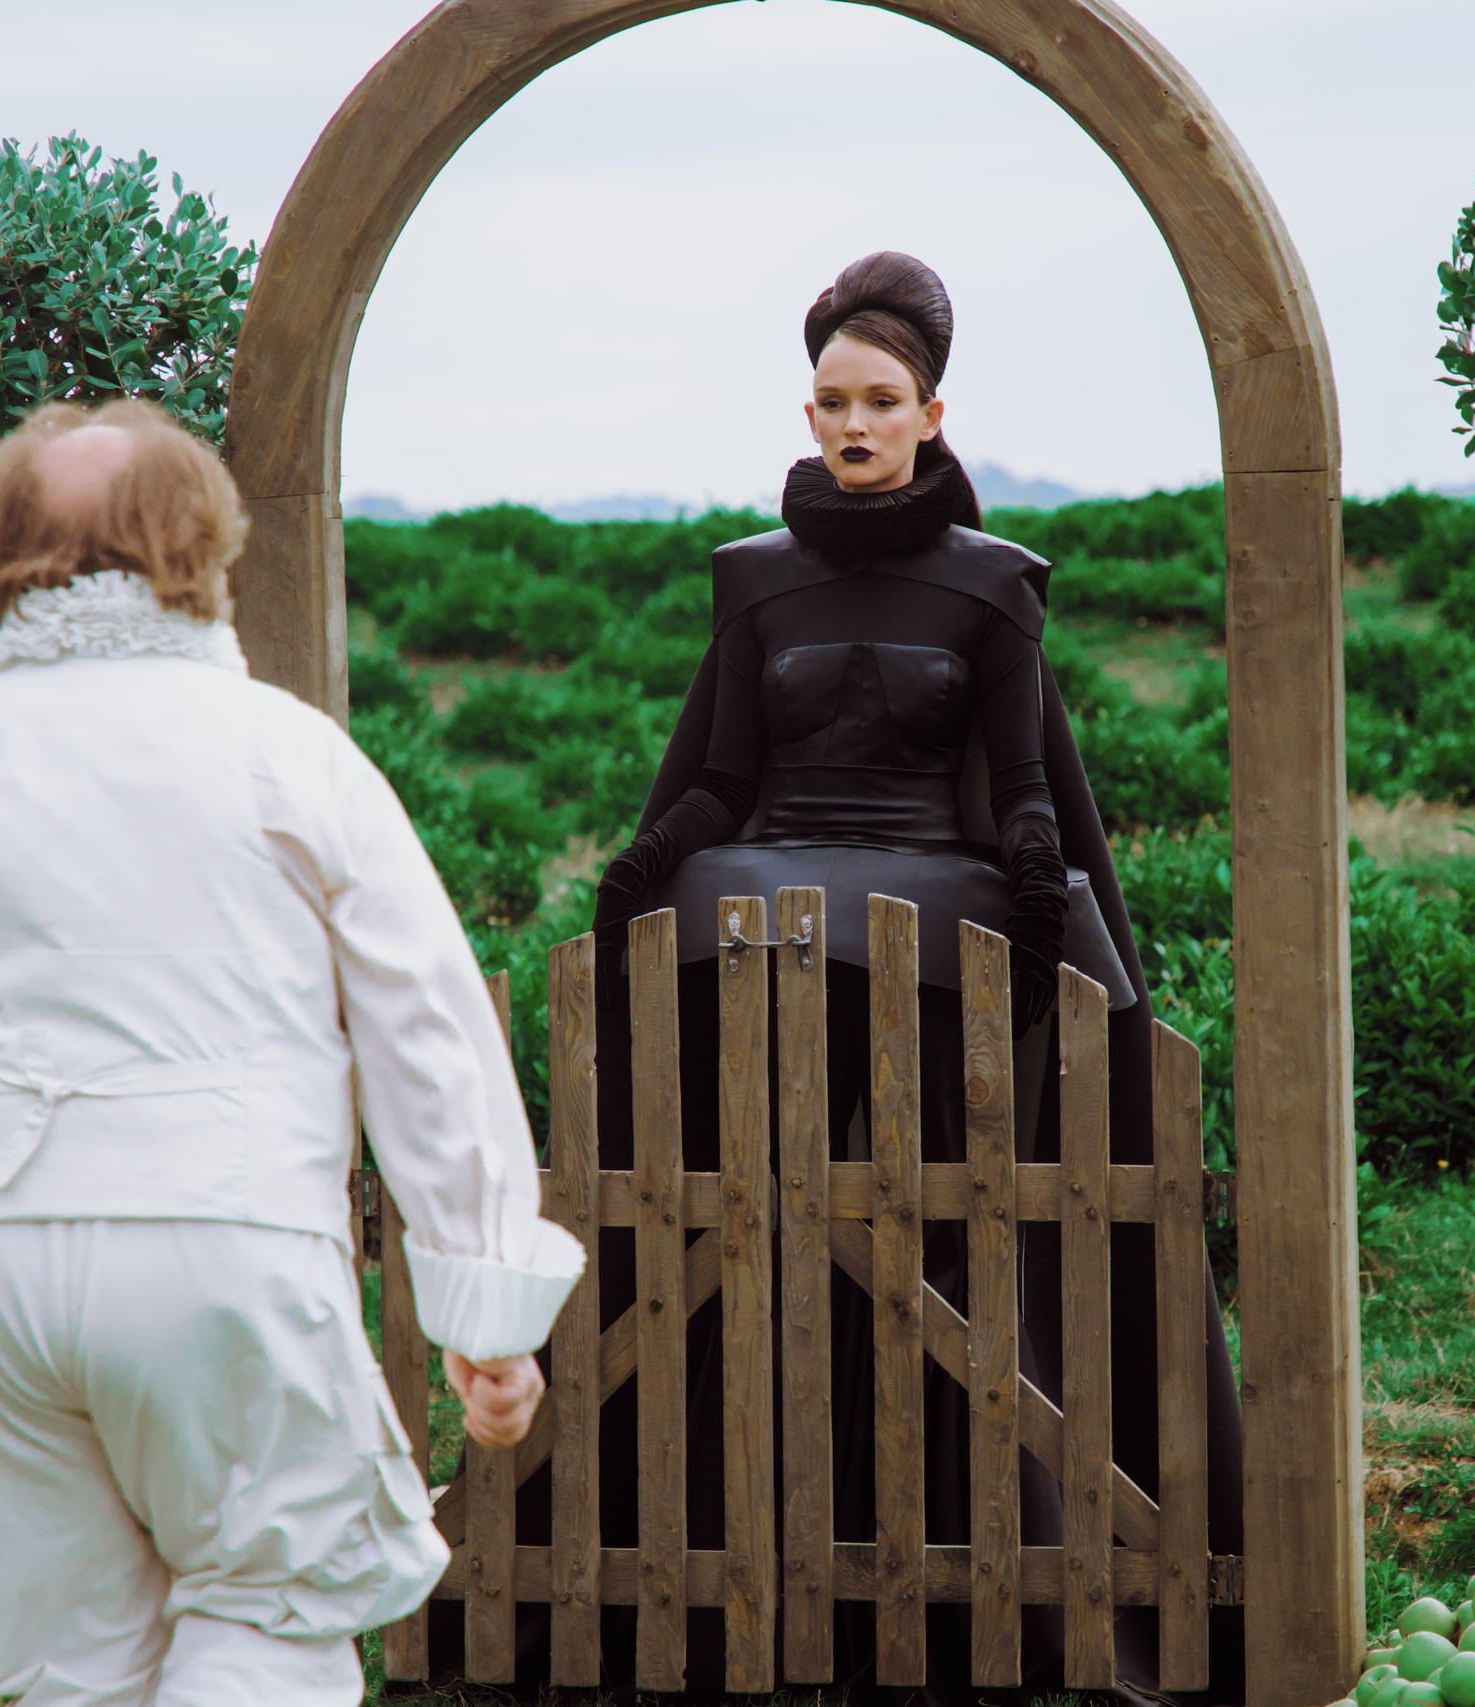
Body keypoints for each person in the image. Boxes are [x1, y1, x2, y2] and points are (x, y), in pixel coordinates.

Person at [0, 398, 584, 1707]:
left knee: (73, 1674)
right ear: (200, 550)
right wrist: (485, 1301)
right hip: (222, 1250)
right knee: (264, 1625)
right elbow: (430, 1030)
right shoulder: (293, 756)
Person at [576, 252, 1246, 1703]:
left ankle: (979, 1560)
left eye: (882, 401)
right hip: (780, 934)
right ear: (807, 416)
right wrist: (647, 860)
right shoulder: (750, 585)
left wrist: (1026, 870)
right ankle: (739, 1549)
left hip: (940, 954)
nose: (855, 425)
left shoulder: (995, 590)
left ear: (935, 414)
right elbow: (728, 774)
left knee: (939, 1243)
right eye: (832, 403)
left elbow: (1024, 785)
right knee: (757, 1230)